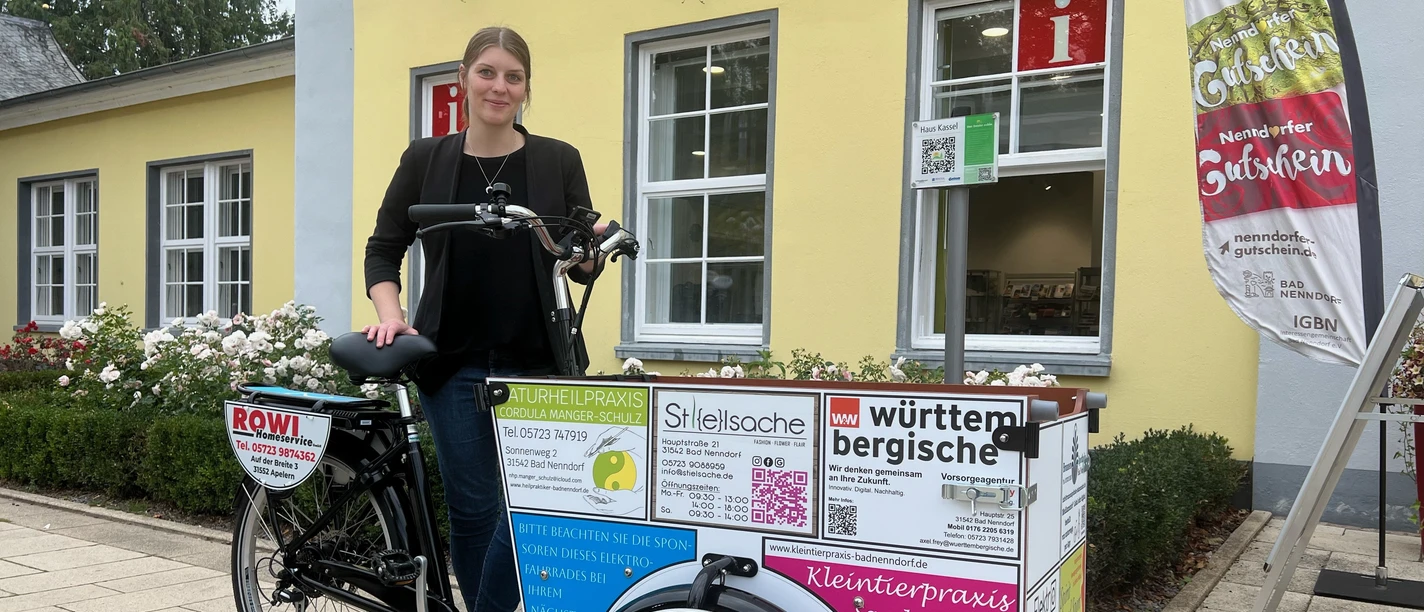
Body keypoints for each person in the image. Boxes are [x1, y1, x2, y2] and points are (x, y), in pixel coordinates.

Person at [361, 25, 605, 612]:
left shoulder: (558, 159)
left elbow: (579, 261)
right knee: (473, 511)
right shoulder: (426, 159)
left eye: (513, 77)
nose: (500, 87)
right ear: (463, 79)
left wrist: (591, 250)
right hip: (453, 362)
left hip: (539, 361)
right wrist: (392, 315)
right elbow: (383, 248)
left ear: (526, 88)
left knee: (537, 504)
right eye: (487, 72)